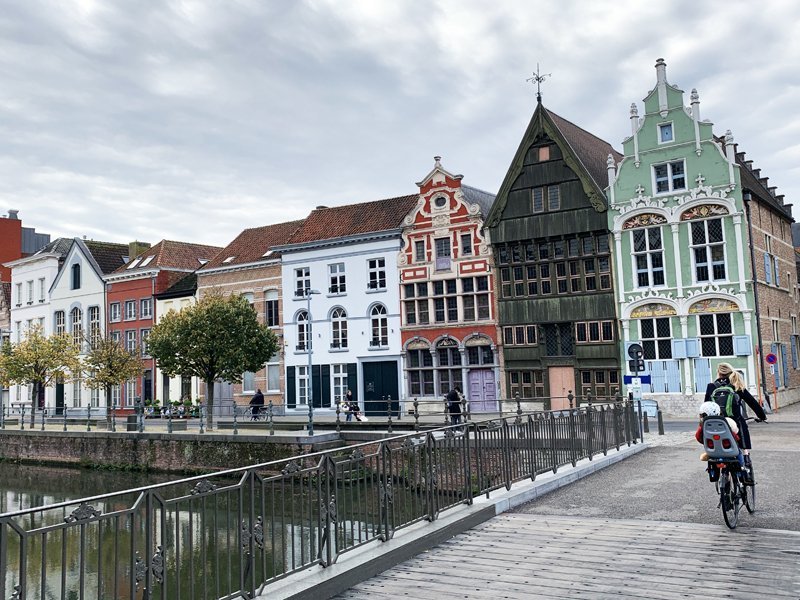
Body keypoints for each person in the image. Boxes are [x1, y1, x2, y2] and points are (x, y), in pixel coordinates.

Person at [704, 362, 766, 480]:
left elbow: (706, 406)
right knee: (742, 437)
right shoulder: (736, 385)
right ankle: (746, 464)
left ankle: (714, 469)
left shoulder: (711, 386)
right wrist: (762, 416)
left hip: (717, 424)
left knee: (713, 441)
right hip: (735, 424)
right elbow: (752, 402)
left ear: (719, 373)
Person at [695, 401, 744, 467]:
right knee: (739, 452)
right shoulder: (724, 423)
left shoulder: (703, 425)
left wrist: (705, 442)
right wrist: (737, 438)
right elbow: (734, 436)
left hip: (712, 450)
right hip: (728, 449)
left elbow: (698, 437)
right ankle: (742, 466)